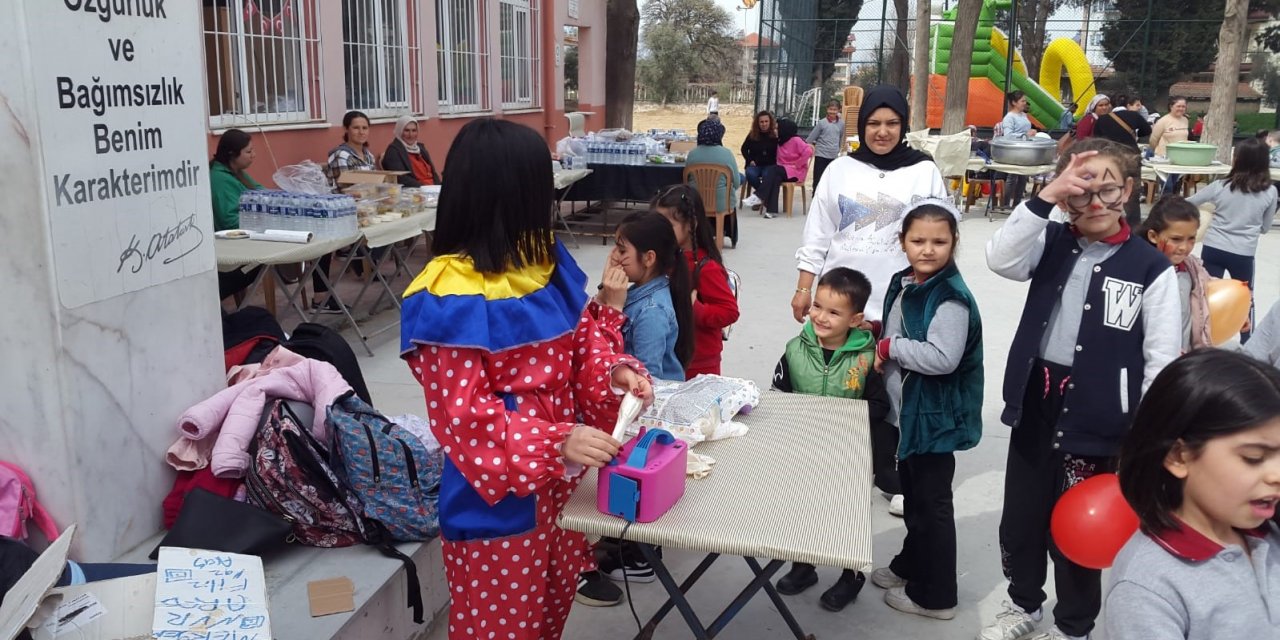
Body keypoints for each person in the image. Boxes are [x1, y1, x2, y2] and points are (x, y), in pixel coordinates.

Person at [400, 118, 653, 639]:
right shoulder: (447, 294)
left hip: (561, 485)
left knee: (549, 616)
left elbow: (581, 343)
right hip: (498, 500)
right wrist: (558, 439)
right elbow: (463, 416)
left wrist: (615, 373)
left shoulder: (543, 265)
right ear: (511, 193)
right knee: (502, 629)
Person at [982, 137, 1181, 640]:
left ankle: (1074, 626)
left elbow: (1162, 359)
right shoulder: (1050, 241)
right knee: (1022, 520)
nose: (1094, 203)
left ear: (1130, 190)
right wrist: (1045, 197)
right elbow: (1000, 260)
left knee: (1078, 526)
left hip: (1099, 421)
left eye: (1108, 190)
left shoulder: (1149, 268)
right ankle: (1022, 603)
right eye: (1080, 190)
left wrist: (1148, 432)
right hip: (1037, 402)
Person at [1106, 349, 1280, 640]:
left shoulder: (1268, 534)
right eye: (1253, 457)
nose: (1276, 475)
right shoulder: (1147, 587)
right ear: (1178, 456)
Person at [871, 199, 983, 622]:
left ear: (954, 243)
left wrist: (889, 347)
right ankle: (910, 565)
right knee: (915, 497)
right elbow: (903, 329)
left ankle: (936, 596)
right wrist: (880, 332)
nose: (928, 249)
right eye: (918, 240)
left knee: (931, 505)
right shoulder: (907, 282)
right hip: (912, 412)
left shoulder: (950, 297)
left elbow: (942, 357)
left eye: (939, 241)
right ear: (903, 242)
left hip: (934, 418)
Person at [770, 267, 893, 612]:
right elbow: (777, 394)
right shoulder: (795, 350)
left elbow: (880, 406)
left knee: (847, 515)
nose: (821, 317)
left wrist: (836, 417)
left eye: (834, 312)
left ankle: (850, 574)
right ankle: (803, 564)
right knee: (803, 507)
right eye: (818, 307)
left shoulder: (868, 359)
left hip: (850, 454)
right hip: (803, 449)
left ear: (855, 319)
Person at [795, 84, 947, 325]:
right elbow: (817, 235)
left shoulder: (924, 172)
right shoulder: (839, 170)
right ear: (862, 124)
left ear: (904, 125)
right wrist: (803, 289)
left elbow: (941, 242)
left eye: (892, 123)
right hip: (839, 304)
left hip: (901, 304)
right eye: (874, 123)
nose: (882, 132)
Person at [1187, 137, 1277, 343]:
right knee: (1246, 297)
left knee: (1205, 295)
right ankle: (1247, 340)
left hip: (1213, 248)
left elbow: (1188, 203)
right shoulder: (1270, 192)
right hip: (1243, 253)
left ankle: (1201, 337)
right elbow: (1264, 228)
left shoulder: (1220, 186)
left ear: (1238, 159)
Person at [651, 185, 739, 378]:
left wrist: (695, 308)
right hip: (668, 356)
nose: (660, 232)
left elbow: (729, 312)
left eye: (667, 225)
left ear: (691, 224)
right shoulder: (663, 259)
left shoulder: (707, 268)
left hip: (700, 364)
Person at [596, 212, 694, 382]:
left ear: (649, 258)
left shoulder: (652, 311)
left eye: (621, 250)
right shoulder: (637, 291)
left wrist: (613, 308)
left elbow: (646, 381)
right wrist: (604, 291)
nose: (614, 257)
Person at [314, 111, 377, 312]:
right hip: (342, 211)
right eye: (356, 128)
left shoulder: (368, 155)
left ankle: (366, 261)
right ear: (347, 130)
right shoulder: (341, 154)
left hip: (366, 207)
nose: (361, 132)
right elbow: (348, 188)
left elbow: (374, 184)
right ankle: (322, 296)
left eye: (364, 128)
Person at [1138, 196, 1217, 352]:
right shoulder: (1139, 273)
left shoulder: (1191, 268)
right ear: (1153, 236)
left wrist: (1237, 311)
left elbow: (1209, 287)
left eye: (1191, 239)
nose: (1184, 247)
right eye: (1176, 239)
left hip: (1183, 356)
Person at [209, 129, 266, 300]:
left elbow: (262, 193)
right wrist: (261, 219)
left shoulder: (237, 173)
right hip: (231, 249)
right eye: (248, 151)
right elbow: (229, 221)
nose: (253, 155)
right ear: (232, 154)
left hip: (246, 238)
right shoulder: (219, 179)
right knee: (266, 262)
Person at [1091, 94, 1151, 225]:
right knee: (1132, 192)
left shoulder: (1102, 120)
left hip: (1112, 158)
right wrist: (1135, 134)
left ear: (1112, 105)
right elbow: (1147, 130)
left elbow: (1096, 140)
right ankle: (1133, 226)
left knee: (1109, 189)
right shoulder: (1134, 116)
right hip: (1131, 156)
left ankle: (1109, 221)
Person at [684, 119, 741, 246]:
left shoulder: (693, 154)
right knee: (729, 192)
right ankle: (727, 236)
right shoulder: (727, 153)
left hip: (696, 200)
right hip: (721, 204)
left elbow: (686, 181)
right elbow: (736, 183)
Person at [755, 118, 813, 218]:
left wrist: (798, 164)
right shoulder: (780, 141)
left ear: (784, 129)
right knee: (775, 177)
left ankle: (759, 196)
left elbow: (808, 151)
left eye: (777, 128)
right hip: (783, 171)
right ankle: (772, 210)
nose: (775, 130)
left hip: (796, 172)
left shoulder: (796, 140)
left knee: (773, 170)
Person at [999, 91, 1037, 208]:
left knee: (1023, 177)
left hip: (1025, 149)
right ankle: (1005, 203)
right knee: (1012, 176)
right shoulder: (1009, 118)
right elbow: (1008, 135)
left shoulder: (1024, 115)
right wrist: (1025, 134)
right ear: (1014, 103)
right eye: (1022, 101)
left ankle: (1017, 203)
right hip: (1014, 150)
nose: (1025, 103)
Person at [380, 115, 439, 188]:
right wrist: (425, 188)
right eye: (407, 130)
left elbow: (433, 173)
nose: (411, 135)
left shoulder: (420, 148)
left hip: (432, 190)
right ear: (400, 131)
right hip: (416, 192)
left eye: (414, 130)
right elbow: (401, 178)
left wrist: (439, 188)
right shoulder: (393, 151)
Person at [1148, 96, 1190, 194]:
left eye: (1183, 106)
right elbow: (1153, 139)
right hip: (1164, 158)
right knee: (1167, 186)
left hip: (1179, 158)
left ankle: (1173, 206)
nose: (1181, 109)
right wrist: (1157, 152)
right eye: (1178, 106)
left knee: (1175, 184)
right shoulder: (1163, 121)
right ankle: (1163, 206)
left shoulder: (1185, 120)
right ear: (1171, 106)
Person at [740, 110, 778, 203]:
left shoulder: (775, 134)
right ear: (757, 123)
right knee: (750, 174)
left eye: (766, 121)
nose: (764, 124)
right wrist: (749, 160)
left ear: (770, 122)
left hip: (770, 164)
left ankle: (759, 197)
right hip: (755, 165)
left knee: (768, 176)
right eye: (761, 122)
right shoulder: (752, 134)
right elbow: (744, 149)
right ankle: (764, 197)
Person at [807, 100, 845, 189]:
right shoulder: (822, 123)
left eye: (835, 109)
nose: (832, 112)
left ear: (839, 110)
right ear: (827, 109)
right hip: (821, 155)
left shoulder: (842, 124)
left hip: (833, 156)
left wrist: (838, 150)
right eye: (830, 109)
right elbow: (810, 138)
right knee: (818, 180)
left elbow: (840, 138)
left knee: (831, 181)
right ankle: (815, 198)